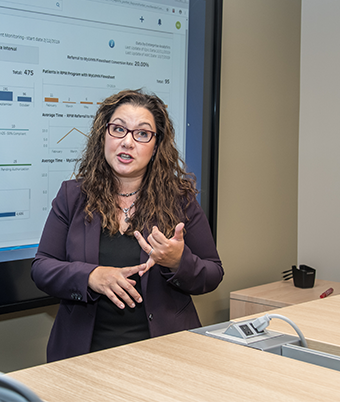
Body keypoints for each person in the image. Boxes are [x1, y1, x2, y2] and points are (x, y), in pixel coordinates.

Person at [32, 89, 224, 362]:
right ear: (103, 136)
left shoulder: (180, 200)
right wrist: (91, 276)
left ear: (157, 145)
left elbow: (213, 273)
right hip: (82, 357)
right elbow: (41, 267)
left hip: (165, 356)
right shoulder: (72, 196)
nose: (127, 142)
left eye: (142, 134)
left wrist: (178, 261)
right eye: (118, 129)